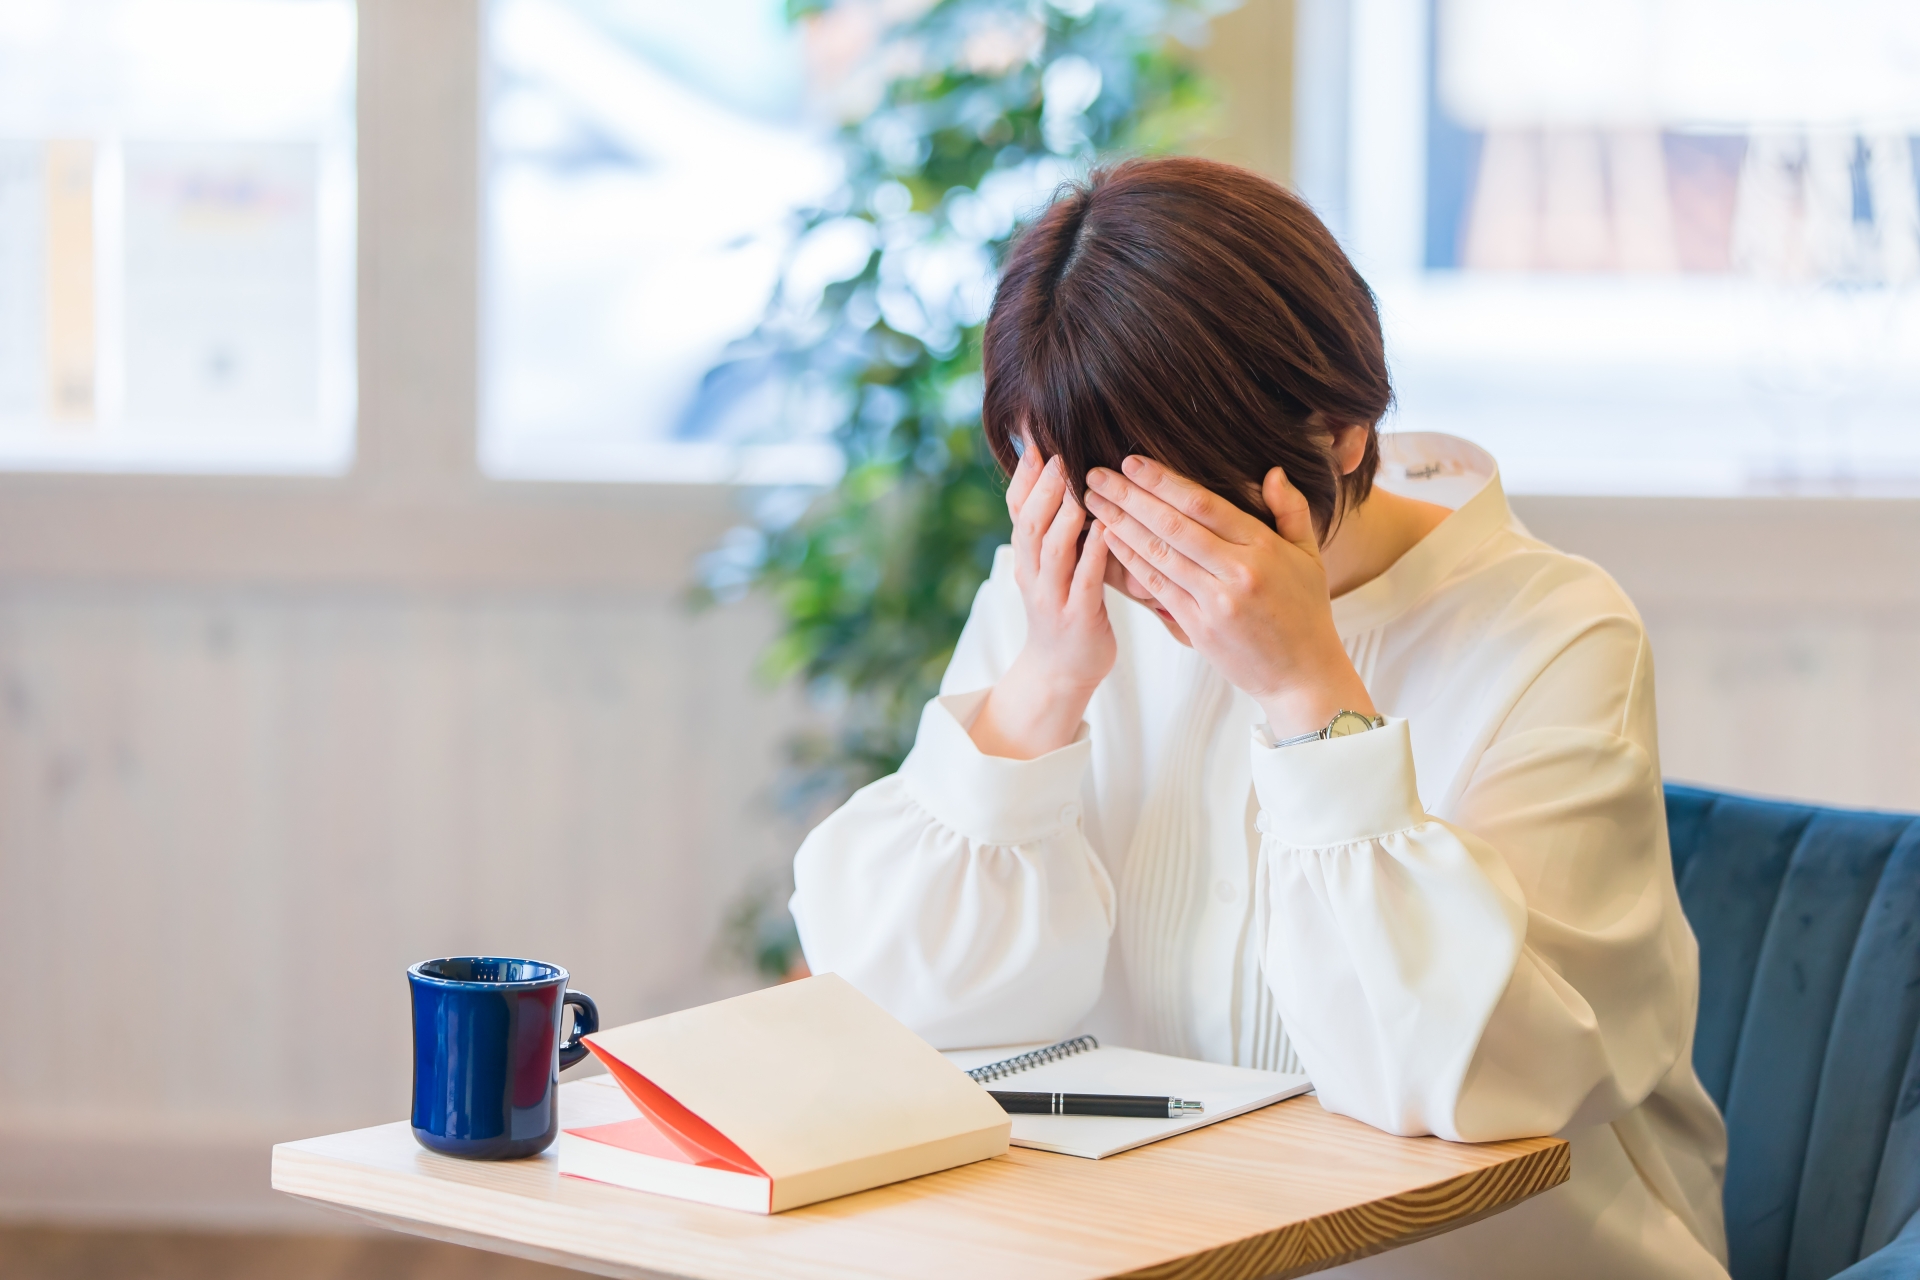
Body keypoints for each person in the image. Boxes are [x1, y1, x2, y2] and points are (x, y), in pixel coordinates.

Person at [788, 157, 1729, 1279]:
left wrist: (1308, 696)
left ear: (1341, 434)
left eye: (1177, 512)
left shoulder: (1555, 631)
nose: (1140, 565)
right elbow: (894, 1009)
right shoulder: (1072, 590)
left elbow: (1473, 1079)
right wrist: (1042, 684)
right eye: (1087, 506)